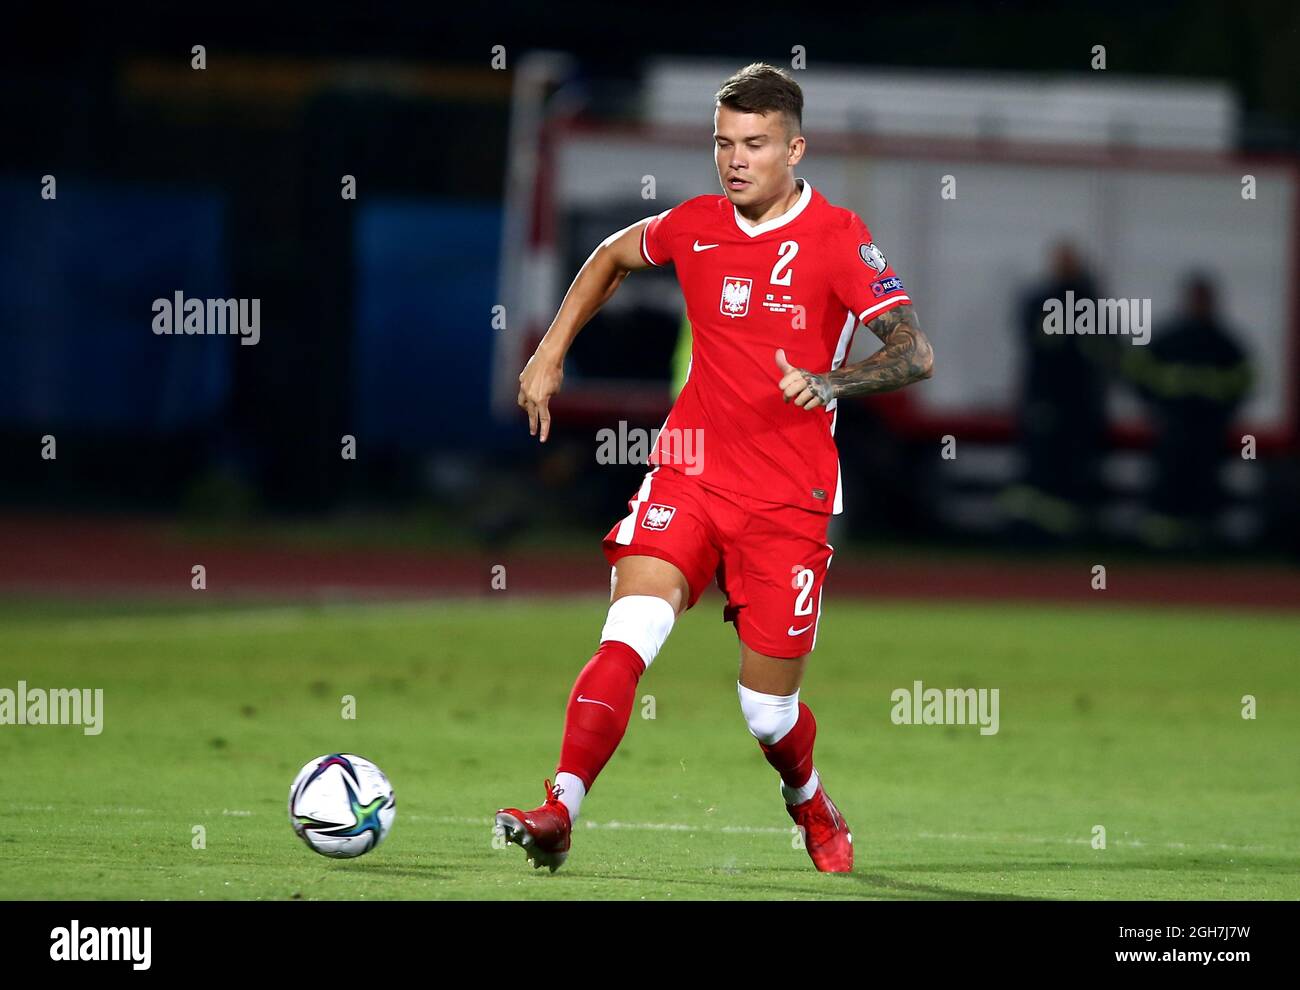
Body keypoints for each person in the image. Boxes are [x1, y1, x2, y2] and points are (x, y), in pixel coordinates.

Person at [499, 63, 934, 873]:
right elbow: (609, 255)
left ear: (795, 149)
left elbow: (915, 350)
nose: (735, 161)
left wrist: (833, 381)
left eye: (756, 145)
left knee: (767, 713)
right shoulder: (697, 224)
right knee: (630, 631)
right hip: (689, 473)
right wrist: (550, 353)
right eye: (723, 143)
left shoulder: (838, 238)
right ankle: (561, 806)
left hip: (788, 498)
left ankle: (809, 799)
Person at [1123, 273, 1251, 547]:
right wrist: (1157, 404)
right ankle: (1162, 540)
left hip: (1208, 429)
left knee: (1204, 485)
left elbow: (1244, 380)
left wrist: (1222, 407)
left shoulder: (1223, 342)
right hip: (1173, 426)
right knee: (1169, 481)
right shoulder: (1171, 339)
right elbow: (1137, 372)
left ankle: (1199, 540)